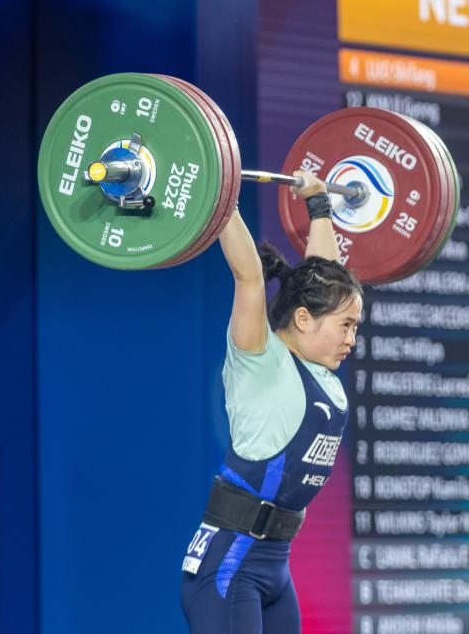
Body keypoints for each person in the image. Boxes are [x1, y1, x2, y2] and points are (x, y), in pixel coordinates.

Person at [180, 171, 362, 633]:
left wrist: (319, 206)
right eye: (346, 326)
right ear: (303, 319)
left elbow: (325, 278)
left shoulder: (320, 371)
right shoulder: (262, 363)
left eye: (355, 326)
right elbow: (248, 275)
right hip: (228, 565)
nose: (351, 338)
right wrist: (223, 195)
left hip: (275, 566)